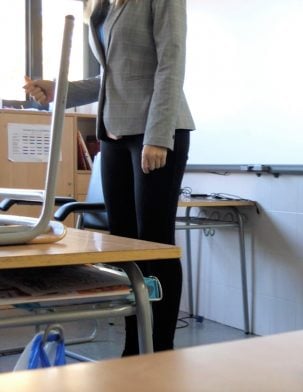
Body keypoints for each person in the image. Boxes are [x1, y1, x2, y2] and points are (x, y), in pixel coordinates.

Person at [24, 0, 195, 356]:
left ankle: (160, 348)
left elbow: (171, 62)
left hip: (157, 130)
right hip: (114, 133)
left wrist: (157, 136)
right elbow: (113, 76)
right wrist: (59, 90)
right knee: (126, 248)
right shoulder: (100, 4)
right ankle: (135, 345)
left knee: (155, 245)